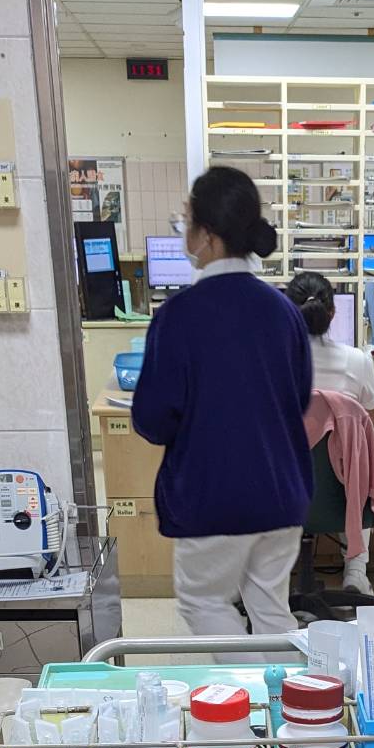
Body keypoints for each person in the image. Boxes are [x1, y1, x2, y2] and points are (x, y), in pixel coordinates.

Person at [132, 166, 313, 636]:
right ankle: (287, 682)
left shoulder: (180, 316)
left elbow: (153, 419)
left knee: (203, 603)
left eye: (186, 219)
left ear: (207, 234)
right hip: (283, 494)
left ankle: (252, 680)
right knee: (270, 606)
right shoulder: (284, 311)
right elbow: (298, 399)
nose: (183, 229)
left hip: (214, 495)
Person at [287, 271, 374, 594]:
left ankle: (270, 579)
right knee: (355, 467)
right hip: (342, 497)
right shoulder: (357, 361)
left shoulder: (272, 362)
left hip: (284, 495)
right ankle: (355, 572)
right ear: (332, 313)